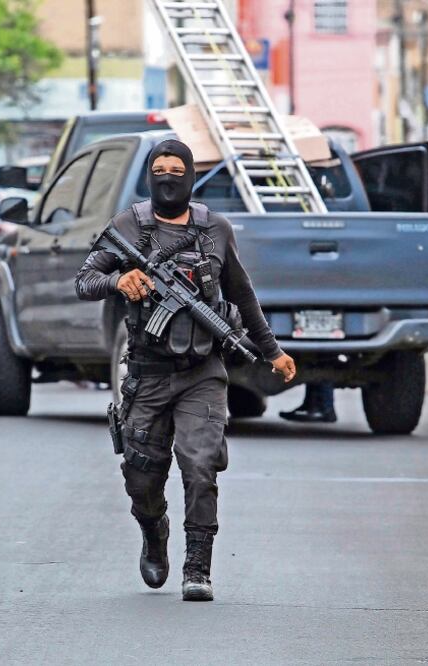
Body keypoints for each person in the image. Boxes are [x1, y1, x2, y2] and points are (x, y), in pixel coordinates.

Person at [76, 139, 296, 601]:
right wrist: (119, 280)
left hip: (203, 371)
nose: (168, 177)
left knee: (199, 468)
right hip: (147, 373)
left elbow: (243, 294)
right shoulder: (128, 227)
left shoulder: (215, 229)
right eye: (159, 168)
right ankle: (154, 533)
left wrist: (272, 351)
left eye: (178, 169)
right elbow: (85, 280)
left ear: (192, 176)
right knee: (142, 475)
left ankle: (198, 568)